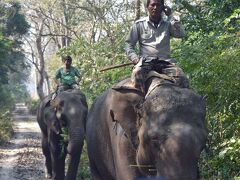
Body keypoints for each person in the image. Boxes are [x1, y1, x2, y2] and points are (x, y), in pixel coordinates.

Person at [125, 0, 189, 94]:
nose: (155, 7)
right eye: (152, 5)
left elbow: (181, 34)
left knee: (182, 78)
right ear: (148, 7)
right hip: (145, 62)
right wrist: (134, 58)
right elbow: (129, 44)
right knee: (137, 73)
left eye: (158, 5)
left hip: (165, 62)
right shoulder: (139, 24)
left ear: (163, 8)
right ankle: (138, 105)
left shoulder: (168, 24)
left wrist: (171, 15)